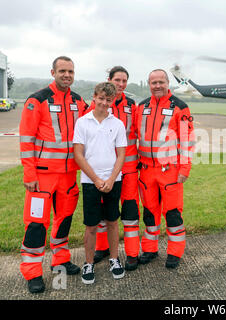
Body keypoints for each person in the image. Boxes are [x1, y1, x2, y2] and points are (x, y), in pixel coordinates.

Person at [19, 56, 88, 293]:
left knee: (64, 221)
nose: (66, 75)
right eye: (62, 71)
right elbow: (26, 140)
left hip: (69, 177)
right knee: (37, 224)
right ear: (53, 72)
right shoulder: (37, 100)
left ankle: (60, 260)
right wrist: (29, 174)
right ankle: (32, 272)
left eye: (70, 71)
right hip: (42, 178)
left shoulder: (79, 101)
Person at [134, 69, 195, 269]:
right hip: (146, 171)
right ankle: (150, 250)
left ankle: (175, 252)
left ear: (168, 83)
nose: (157, 86)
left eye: (161, 82)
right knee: (150, 213)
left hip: (170, 170)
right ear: (148, 84)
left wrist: (185, 168)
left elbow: (187, 140)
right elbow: (134, 134)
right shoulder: (141, 107)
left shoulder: (180, 106)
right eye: (154, 82)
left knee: (172, 214)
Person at [73, 82, 127, 284]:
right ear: (94, 97)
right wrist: (96, 179)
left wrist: (111, 179)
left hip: (113, 180)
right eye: (101, 98)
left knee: (113, 222)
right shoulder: (82, 122)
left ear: (112, 101)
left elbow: (121, 154)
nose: (104, 103)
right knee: (91, 225)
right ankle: (88, 263)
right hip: (90, 181)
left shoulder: (117, 124)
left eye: (108, 100)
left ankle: (114, 259)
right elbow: (78, 154)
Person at [87, 66, 140, 271]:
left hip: (127, 168)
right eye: (117, 80)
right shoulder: (99, 103)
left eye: (124, 80)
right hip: (105, 169)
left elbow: (136, 131)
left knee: (129, 210)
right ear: (109, 80)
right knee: (104, 212)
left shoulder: (132, 105)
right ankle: (102, 249)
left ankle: (132, 253)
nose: (121, 84)